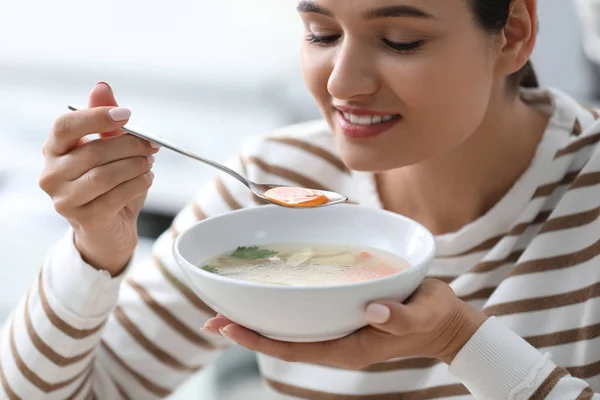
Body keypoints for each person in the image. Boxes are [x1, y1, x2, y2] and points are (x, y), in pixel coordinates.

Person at [1, 0, 599, 398]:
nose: (341, 82)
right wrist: (95, 248)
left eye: (400, 40)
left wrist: (460, 342)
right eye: (322, 33)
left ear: (514, 34)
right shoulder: (273, 179)